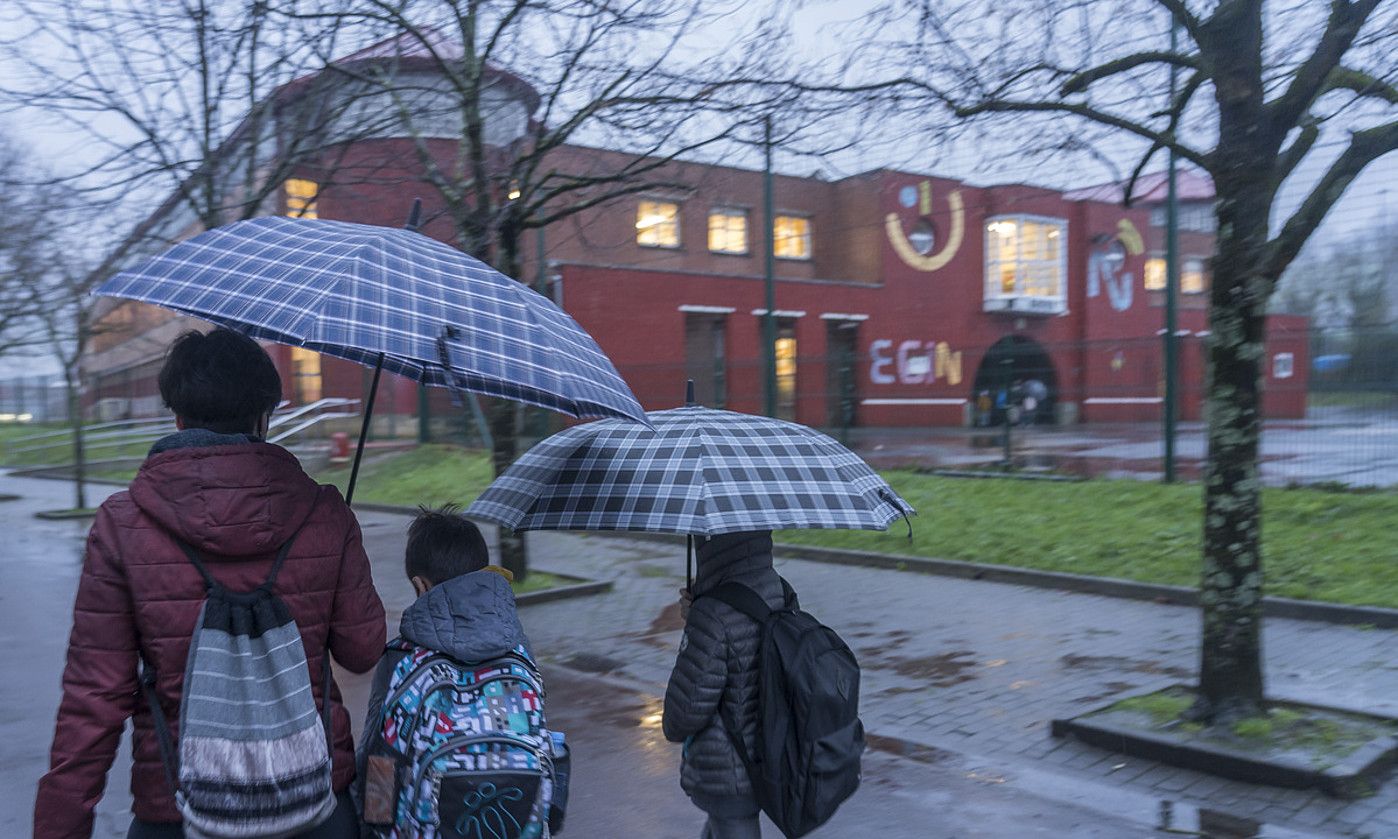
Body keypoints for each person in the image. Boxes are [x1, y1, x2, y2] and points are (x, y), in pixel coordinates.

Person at [34, 328, 387, 839]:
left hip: (178, 807)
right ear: (265, 417)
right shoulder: (325, 513)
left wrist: (60, 827)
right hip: (315, 802)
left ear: (177, 415)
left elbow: (95, 696)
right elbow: (363, 649)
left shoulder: (122, 522)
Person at [356, 506, 562, 838]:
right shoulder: (518, 647)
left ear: (420, 586)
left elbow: (379, 760)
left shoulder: (400, 660)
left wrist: (371, 831)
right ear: (485, 574)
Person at [663, 531, 785, 839]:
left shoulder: (713, 611)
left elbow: (685, 712)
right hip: (769, 753)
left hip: (727, 770)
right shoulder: (777, 589)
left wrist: (698, 621)